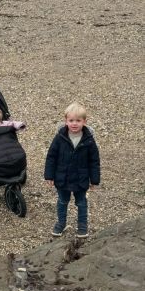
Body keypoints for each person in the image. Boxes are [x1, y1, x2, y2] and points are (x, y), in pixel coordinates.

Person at [44, 102, 100, 238]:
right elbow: (51, 157)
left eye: (78, 121)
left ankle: (82, 226)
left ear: (84, 122)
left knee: (81, 202)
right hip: (62, 177)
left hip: (81, 179)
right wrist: (49, 176)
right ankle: (61, 223)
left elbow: (94, 161)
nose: (74, 124)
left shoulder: (89, 140)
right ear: (66, 121)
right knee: (62, 201)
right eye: (71, 120)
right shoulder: (60, 138)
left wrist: (94, 180)